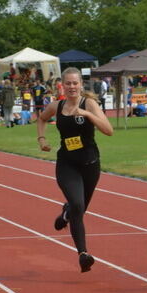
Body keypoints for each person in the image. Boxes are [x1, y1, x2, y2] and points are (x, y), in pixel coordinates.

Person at [36, 67, 113, 272]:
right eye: (67, 83)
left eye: (75, 83)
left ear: (81, 84)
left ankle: (65, 215)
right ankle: (83, 254)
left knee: (78, 208)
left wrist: (87, 114)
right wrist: (41, 139)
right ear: (62, 85)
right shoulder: (56, 106)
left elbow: (108, 130)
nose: (71, 86)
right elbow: (42, 118)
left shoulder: (89, 103)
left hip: (90, 164)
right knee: (78, 205)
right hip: (67, 164)